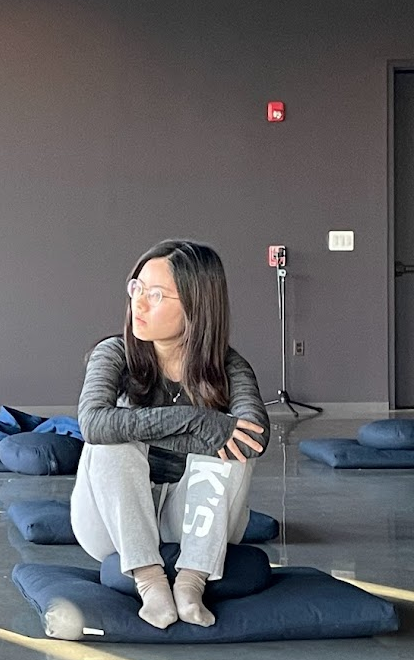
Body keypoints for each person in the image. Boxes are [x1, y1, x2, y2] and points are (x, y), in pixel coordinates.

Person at [70, 239, 270, 629]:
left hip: (193, 520)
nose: (139, 304)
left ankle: (191, 580)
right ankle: (150, 581)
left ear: (196, 308)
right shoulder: (112, 353)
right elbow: (92, 422)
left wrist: (207, 432)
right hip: (111, 521)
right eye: (137, 289)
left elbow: (254, 438)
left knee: (233, 444)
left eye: (156, 295)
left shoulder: (230, 367)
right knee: (112, 438)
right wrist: (195, 421)